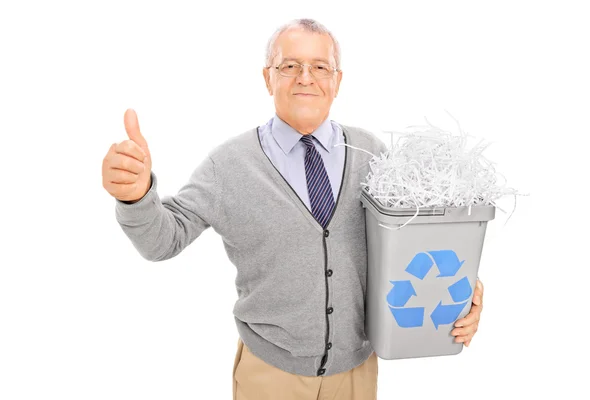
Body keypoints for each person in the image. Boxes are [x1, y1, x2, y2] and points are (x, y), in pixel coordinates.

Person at [101, 18, 484, 400]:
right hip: (271, 376)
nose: (306, 77)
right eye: (289, 66)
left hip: (356, 372)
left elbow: (416, 243)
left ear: (337, 80)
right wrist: (136, 197)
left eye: (320, 66)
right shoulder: (229, 165)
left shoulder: (373, 155)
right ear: (268, 78)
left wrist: (464, 291)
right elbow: (162, 240)